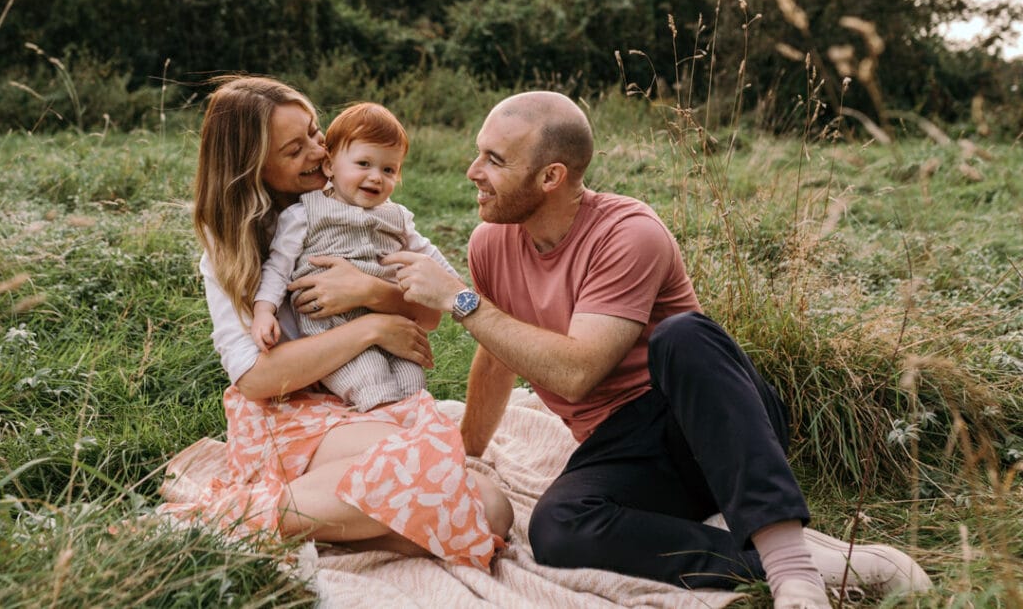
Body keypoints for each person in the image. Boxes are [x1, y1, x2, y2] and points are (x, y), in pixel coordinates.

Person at [382, 91, 932, 607]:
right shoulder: (491, 243)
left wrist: (460, 301)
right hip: (623, 449)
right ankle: (829, 569)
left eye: (494, 159)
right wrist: (467, 453)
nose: (473, 171)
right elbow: (499, 349)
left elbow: (576, 372)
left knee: (684, 334)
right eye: (479, 153)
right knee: (556, 528)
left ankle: (794, 573)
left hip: (708, 423)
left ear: (551, 176)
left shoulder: (628, 232)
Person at [158, 76, 512, 570]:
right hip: (289, 416)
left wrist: (368, 292)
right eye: (293, 148)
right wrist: (371, 328)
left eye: (315, 132)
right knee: (468, 501)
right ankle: (230, 515)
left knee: (494, 511)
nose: (317, 149)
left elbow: (429, 314)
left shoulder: (360, 208)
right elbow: (257, 378)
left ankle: (313, 525)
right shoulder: (232, 251)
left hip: (359, 406)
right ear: (252, 166)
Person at [251, 102, 453, 411]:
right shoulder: (305, 212)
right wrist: (264, 310)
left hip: (391, 320)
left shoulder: (397, 216)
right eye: (363, 164)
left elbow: (428, 253)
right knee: (371, 380)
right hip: (333, 326)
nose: (376, 177)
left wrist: (459, 288)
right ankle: (387, 435)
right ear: (330, 166)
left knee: (413, 380)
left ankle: (414, 434)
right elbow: (278, 267)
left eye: (389, 170)